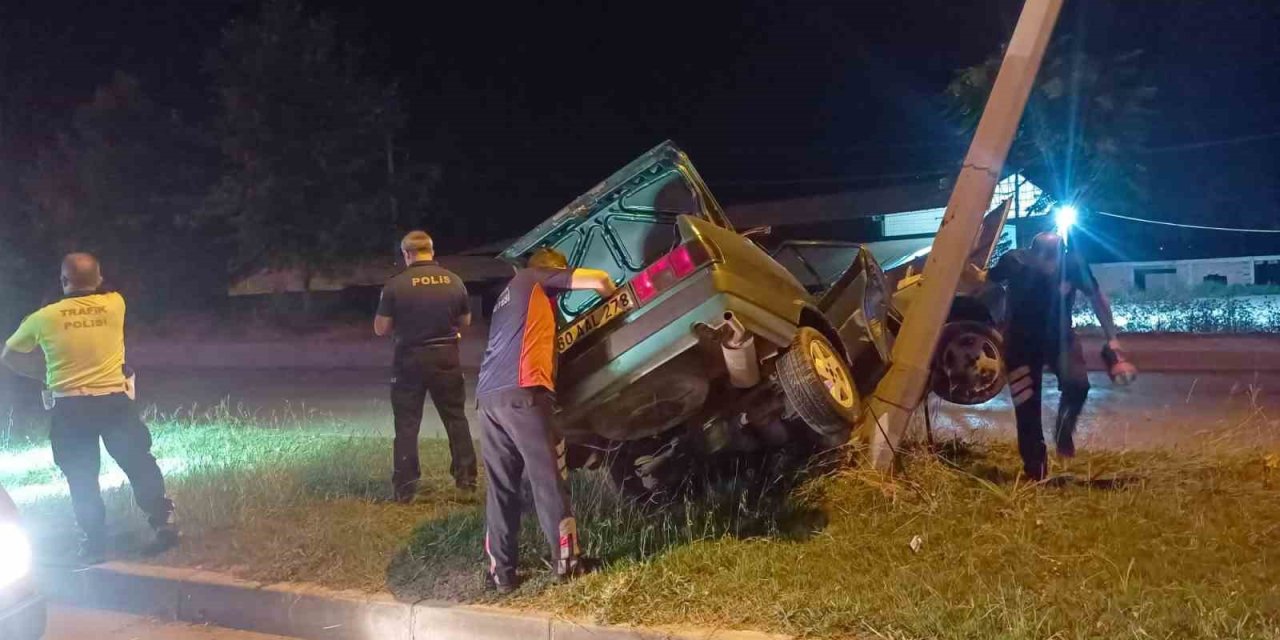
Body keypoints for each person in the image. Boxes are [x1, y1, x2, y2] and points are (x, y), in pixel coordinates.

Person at [1, 253, 177, 564]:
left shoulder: (44, 317)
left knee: (81, 476)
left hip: (71, 408)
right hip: (114, 404)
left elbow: (10, 355)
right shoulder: (115, 304)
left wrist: (41, 373)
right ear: (97, 279)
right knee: (138, 463)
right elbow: (101, 287)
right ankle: (164, 525)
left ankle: (94, 544)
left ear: (63, 282)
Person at [475, 246, 615, 592]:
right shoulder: (534, 277)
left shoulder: (506, 298)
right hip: (526, 395)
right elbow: (600, 280)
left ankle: (501, 574)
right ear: (552, 272)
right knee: (548, 479)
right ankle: (568, 564)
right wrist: (613, 297)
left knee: (502, 488)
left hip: (488, 400)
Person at [988, 231, 1136, 481]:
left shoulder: (1073, 265)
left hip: (1060, 338)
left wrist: (1112, 338)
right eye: (1041, 255)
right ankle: (1036, 470)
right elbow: (986, 283)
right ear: (1031, 253)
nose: (1047, 262)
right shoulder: (1014, 262)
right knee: (1027, 407)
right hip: (1020, 344)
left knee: (1078, 385)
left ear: (1062, 254)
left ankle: (1063, 430)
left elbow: (1097, 299)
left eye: (1053, 256)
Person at [374, 230, 476, 501]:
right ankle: (466, 481)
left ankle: (405, 488)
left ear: (407, 254)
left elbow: (381, 328)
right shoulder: (454, 281)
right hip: (446, 358)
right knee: (456, 418)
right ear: (431, 251)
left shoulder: (395, 285)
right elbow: (465, 322)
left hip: (409, 361)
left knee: (407, 424)